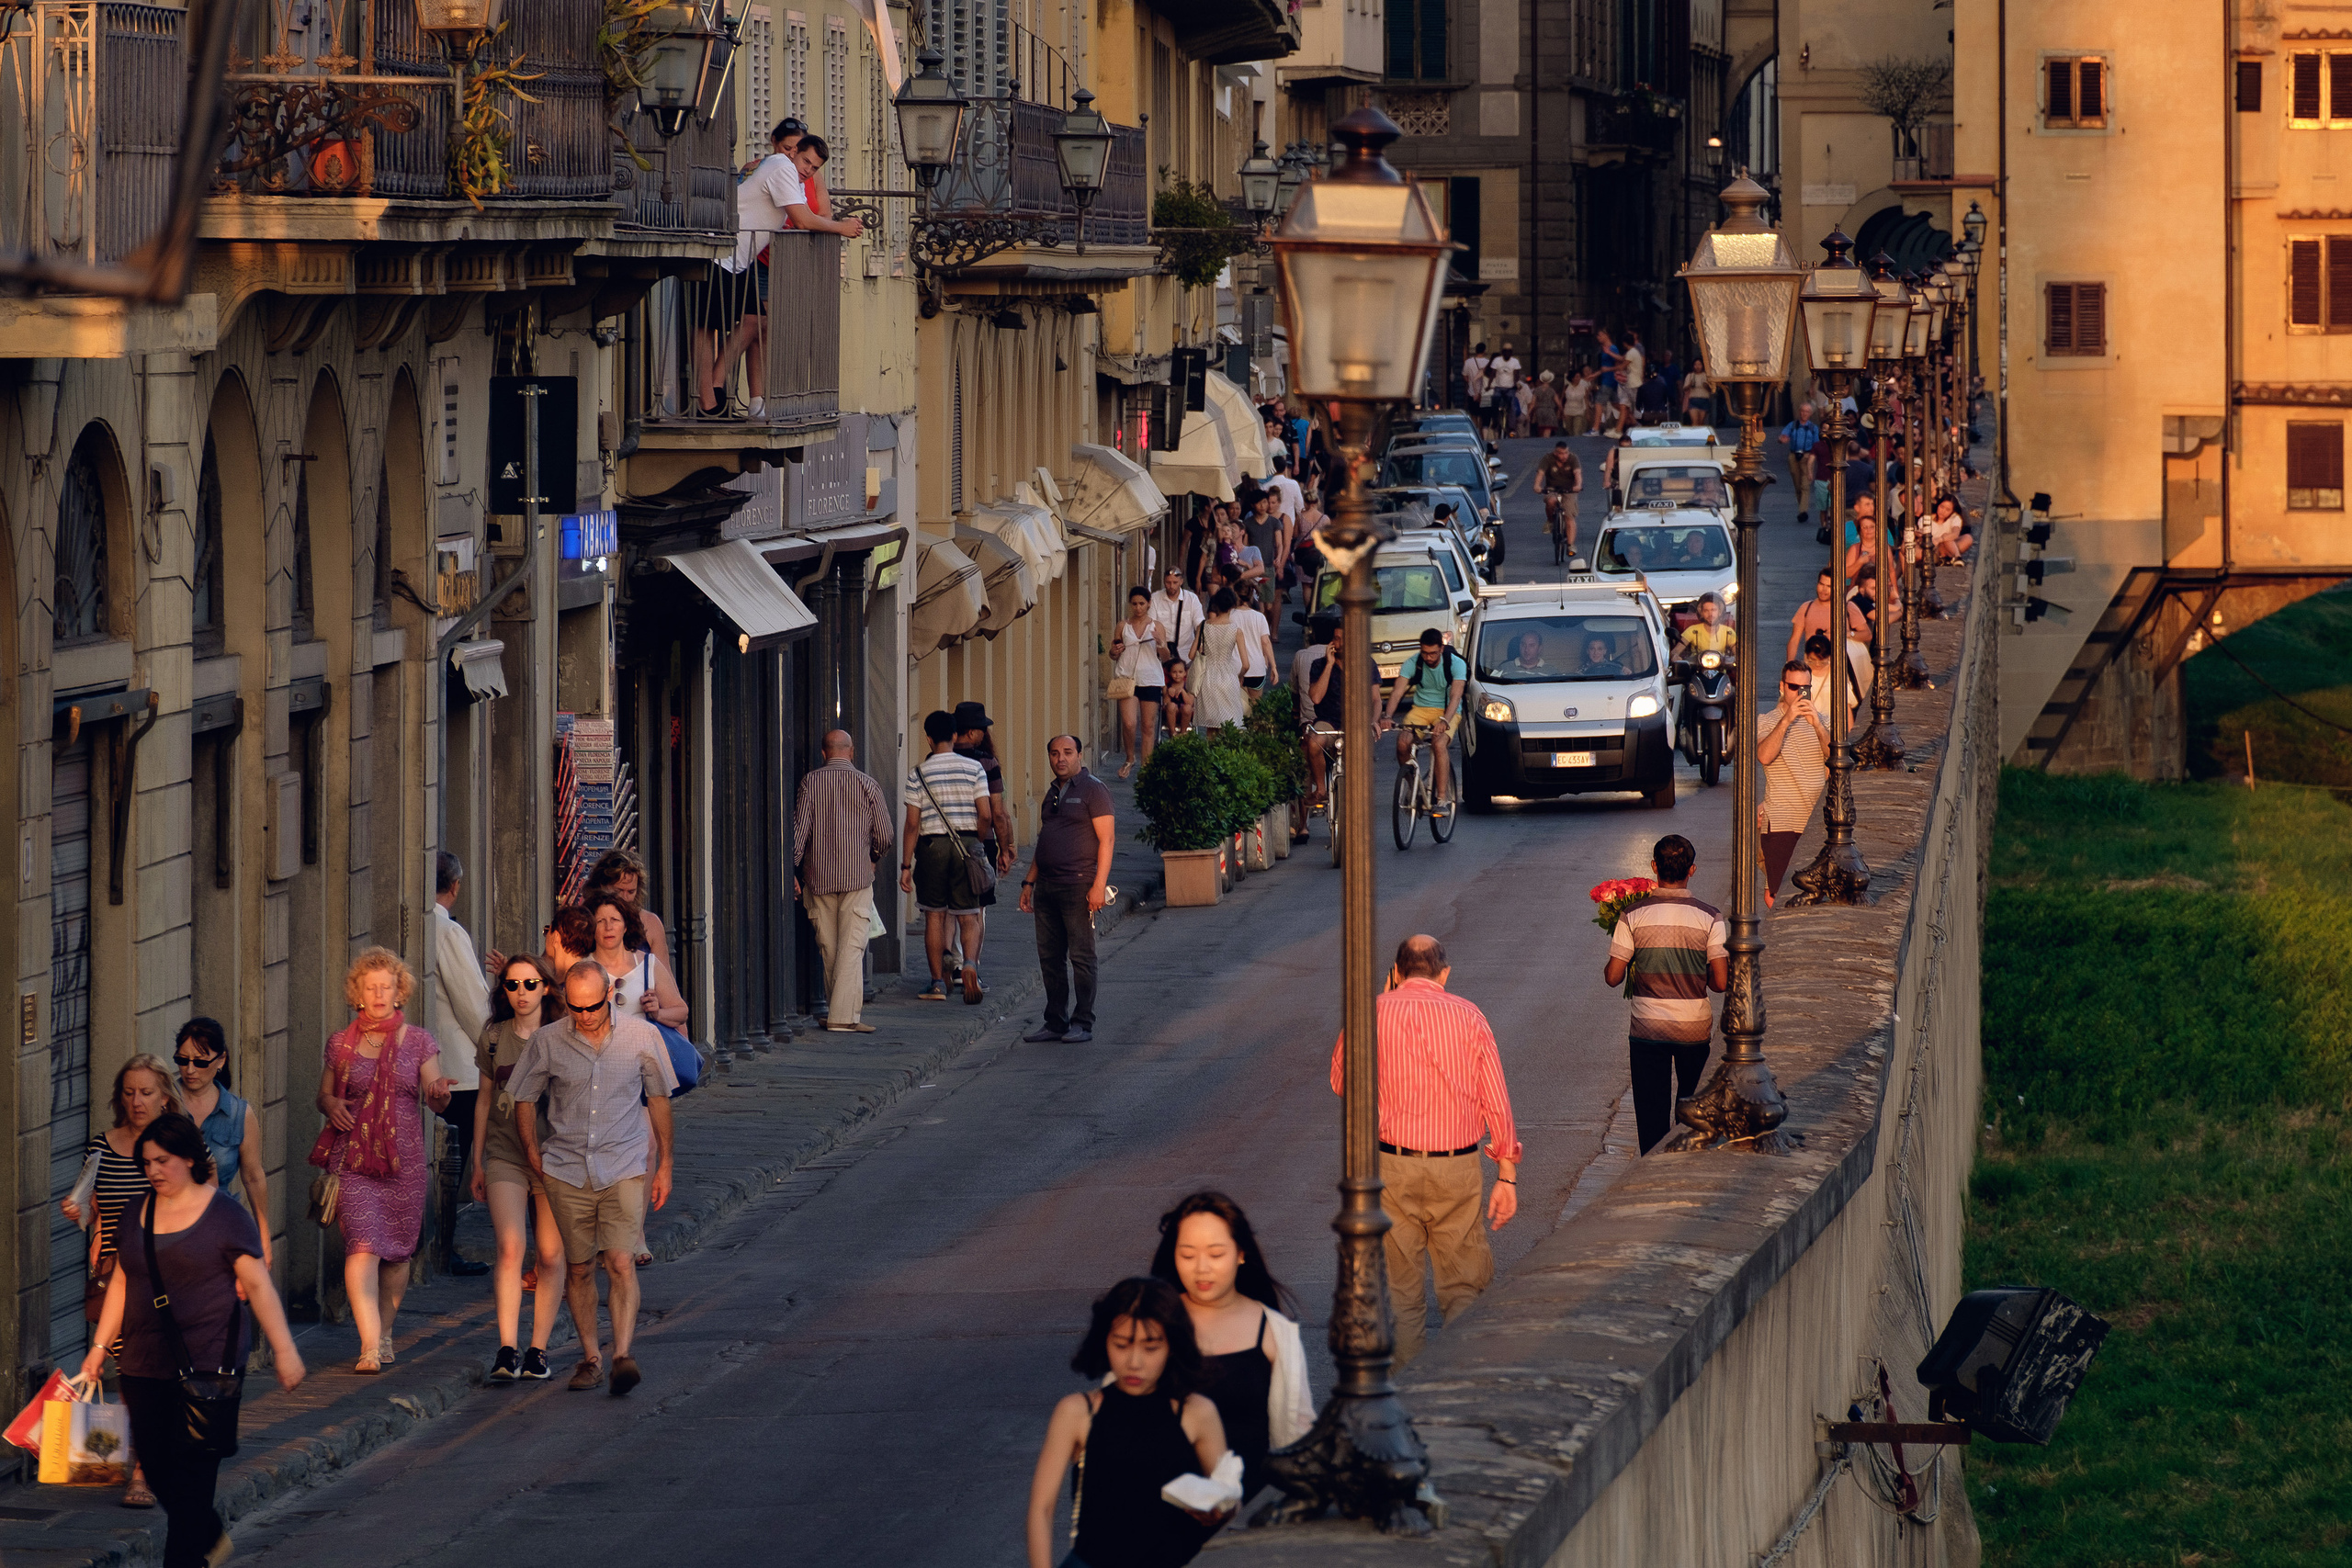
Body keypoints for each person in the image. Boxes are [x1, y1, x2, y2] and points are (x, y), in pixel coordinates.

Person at [82, 1112, 304, 1568]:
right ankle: (208, 1533)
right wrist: (99, 1348)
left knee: (194, 1476)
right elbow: (122, 1281)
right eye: (146, 1163)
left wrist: (285, 1350)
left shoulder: (226, 1216)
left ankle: (187, 1555)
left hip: (210, 1363)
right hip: (143, 1361)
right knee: (159, 1471)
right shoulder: (135, 1211)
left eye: (163, 1161)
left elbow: (258, 1284)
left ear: (189, 1158)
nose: (153, 1172)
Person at [1336, 935, 1519, 1366]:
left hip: (1391, 1166)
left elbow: (1342, 1081)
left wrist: (1380, 1004)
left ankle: (1408, 1399)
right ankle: (1459, 1383)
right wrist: (1506, 1174)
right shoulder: (1470, 1016)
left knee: (1400, 1294)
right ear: (1445, 973)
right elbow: (1496, 1098)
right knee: (1464, 1286)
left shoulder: (1372, 1014)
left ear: (1397, 972)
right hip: (1456, 1168)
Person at [511, 961, 677, 1396]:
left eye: (593, 1007)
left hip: (623, 1161)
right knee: (580, 1267)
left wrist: (665, 1165)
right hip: (565, 1167)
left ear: (609, 995)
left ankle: (622, 1353)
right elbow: (523, 1097)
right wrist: (532, 1151)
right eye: (575, 1007)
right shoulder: (548, 1041)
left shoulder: (641, 1036)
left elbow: (659, 1101)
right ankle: (591, 1358)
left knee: (620, 1260)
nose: (584, 1016)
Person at [1023, 1277, 1231, 1568]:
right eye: (1121, 1345)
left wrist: (1220, 1510)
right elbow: (1041, 1509)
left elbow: (1230, 1504)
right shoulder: (1077, 1412)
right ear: (1104, 1340)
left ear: (1172, 1345)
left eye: (1151, 1348)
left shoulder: (1197, 1412)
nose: (1134, 1362)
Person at [311, 949, 454, 1372]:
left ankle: (385, 1331)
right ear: (358, 992)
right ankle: (370, 1344)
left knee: (397, 1256)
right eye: (370, 987)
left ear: (398, 991)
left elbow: (436, 1097)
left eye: (385, 987)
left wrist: (441, 1093)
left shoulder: (420, 1041)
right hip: (352, 1159)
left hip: (404, 1163)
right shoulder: (340, 1043)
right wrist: (332, 1104)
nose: (378, 994)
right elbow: (324, 1095)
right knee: (362, 1247)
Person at [61, 1053, 185, 1509]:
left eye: (147, 1092)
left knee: (152, 1374)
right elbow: (90, 1204)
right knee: (130, 1375)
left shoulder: (181, 1145)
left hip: (167, 1276)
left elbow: (208, 1199)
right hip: (113, 1277)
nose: (137, 1101)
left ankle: (142, 1470)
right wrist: (80, 1211)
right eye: (129, 1092)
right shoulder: (101, 1145)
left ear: (165, 1097)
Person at [1149, 1192, 1314, 1503]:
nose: (1201, 1269)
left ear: (1240, 1253)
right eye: (1187, 1255)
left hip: (1247, 1514)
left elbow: (1298, 1430)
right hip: (1162, 1512)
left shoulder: (1273, 1329)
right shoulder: (1153, 1324)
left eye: (1215, 1254)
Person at [711, 132, 865, 414]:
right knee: (712, 328)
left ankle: (716, 390)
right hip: (723, 256)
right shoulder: (782, 167)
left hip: (735, 259)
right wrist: (841, 228)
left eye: (815, 167)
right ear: (794, 153)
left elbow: (806, 214)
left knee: (754, 320)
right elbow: (802, 219)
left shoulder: (785, 172)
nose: (808, 169)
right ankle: (711, 394)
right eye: (806, 161)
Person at [471, 953, 567, 1383]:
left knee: (549, 1253)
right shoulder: (493, 1037)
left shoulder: (564, 1035)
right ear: (503, 990)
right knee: (511, 1248)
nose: (522, 994)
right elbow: (484, 1099)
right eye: (513, 985)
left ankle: (538, 1350)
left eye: (531, 985)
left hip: (556, 1157)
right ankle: (507, 1348)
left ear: (546, 987)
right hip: (505, 1152)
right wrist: (477, 1161)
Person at [1603, 835, 1729, 1154]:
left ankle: (1652, 1169)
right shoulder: (1711, 917)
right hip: (1693, 1028)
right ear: (1693, 870)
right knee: (1691, 1108)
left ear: (1654, 868)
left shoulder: (1632, 915)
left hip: (1647, 1028)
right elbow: (1720, 982)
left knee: (1651, 1113)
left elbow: (1613, 978)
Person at [792, 728, 895, 1032]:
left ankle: (844, 1014)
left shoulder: (810, 782)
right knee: (852, 946)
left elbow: (799, 835)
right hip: (857, 878)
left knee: (830, 947)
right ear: (851, 752)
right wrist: (873, 858)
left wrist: (792, 872)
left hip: (818, 877)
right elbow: (885, 835)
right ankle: (842, 1018)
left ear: (824, 753)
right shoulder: (868, 784)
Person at [1017, 736, 1115, 1045]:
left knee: (1082, 956)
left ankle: (1082, 1022)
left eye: (1067, 753)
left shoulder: (1093, 789)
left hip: (1078, 886)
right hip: (1047, 887)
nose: (1060, 759)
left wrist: (1098, 886)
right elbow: (1047, 839)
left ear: (1079, 755)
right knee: (1050, 958)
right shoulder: (1052, 793)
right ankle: (1055, 1021)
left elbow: (1108, 840)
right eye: (1054, 753)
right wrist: (1029, 882)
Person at [902, 709, 996, 1004]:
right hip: (967, 844)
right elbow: (986, 814)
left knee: (934, 916)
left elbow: (912, 824)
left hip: (931, 848)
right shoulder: (974, 769)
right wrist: (976, 841)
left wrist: (906, 865)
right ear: (955, 736)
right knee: (969, 916)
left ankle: (936, 985)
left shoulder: (917, 774)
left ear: (929, 738)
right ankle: (968, 965)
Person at [428, 852, 491, 1277]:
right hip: (459, 1068)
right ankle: (443, 1246)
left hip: (434, 1064)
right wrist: (495, 1048)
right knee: (453, 1162)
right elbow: (473, 1005)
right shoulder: (447, 931)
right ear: (455, 887)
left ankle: (439, 1243)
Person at [171, 1019, 269, 1262]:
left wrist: (263, 1238)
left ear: (221, 1060)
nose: (190, 1070)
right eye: (183, 1060)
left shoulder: (239, 1113)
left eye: (201, 1062)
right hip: (170, 1224)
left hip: (220, 1226)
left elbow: (253, 1177)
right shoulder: (166, 1103)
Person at [1757, 661, 1831, 905]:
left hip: (1816, 821)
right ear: (1782, 686)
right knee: (1778, 893)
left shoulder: (1824, 721)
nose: (1799, 693)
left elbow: (1835, 761)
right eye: (1793, 687)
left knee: (1818, 892)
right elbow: (1764, 755)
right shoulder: (1766, 721)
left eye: (1805, 688)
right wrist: (1787, 720)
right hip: (1782, 822)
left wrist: (1818, 726)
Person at [1379, 627, 1467, 813]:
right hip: (1420, 709)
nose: (1428, 658)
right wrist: (1387, 716)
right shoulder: (1413, 662)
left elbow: (1456, 697)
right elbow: (1397, 692)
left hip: (1447, 710)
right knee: (1403, 743)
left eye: (1433, 653)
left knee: (1439, 743)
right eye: (1425, 653)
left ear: (1441, 649)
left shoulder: (1456, 664)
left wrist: (1444, 721)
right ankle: (1414, 788)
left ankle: (1442, 799)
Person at [587, 893, 691, 1034]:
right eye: (600, 921)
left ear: (625, 926)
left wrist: (657, 1013)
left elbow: (681, 1012)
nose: (608, 927)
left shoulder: (648, 964)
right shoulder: (582, 967)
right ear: (592, 928)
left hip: (643, 1052)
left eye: (615, 920)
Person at [1112, 587, 1171, 777]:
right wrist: (1116, 651)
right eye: (1135, 604)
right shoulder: (1123, 625)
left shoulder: (1157, 626)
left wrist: (1161, 644)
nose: (1138, 608)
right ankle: (1130, 758)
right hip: (1126, 678)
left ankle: (1147, 767)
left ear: (1149, 604)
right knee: (1129, 723)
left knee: (1148, 725)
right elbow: (1113, 653)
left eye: (1142, 604)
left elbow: (1166, 656)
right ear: (1131, 604)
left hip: (1151, 678)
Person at [583, 849, 673, 974]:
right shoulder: (584, 919)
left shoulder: (651, 923)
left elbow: (666, 976)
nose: (625, 898)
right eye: (619, 890)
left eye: (631, 892)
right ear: (602, 885)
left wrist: (655, 992)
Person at [1298, 620, 1349, 814]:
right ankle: (1321, 788)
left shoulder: (1364, 663)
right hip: (1329, 720)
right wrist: (1329, 665)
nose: (1338, 643)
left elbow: (1376, 700)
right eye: (1336, 638)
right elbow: (1316, 697)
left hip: (1355, 723)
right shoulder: (1319, 665)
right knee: (1314, 742)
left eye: (1342, 639)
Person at [1192, 588, 1250, 730]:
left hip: (1208, 678)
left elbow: (1191, 654)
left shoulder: (1204, 626)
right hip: (1228, 677)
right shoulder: (1236, 631)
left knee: (1211, 728)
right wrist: (1240, 676)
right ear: (1233, 605)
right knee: (1229, 727)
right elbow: (1246, 664)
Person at [1786, 566, 1873, 662]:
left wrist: (1848, 634)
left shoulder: (1847, 607)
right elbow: (1794, 640)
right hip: (1813, 666)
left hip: (1841, 665)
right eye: (1821, 584)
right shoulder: (1806, 608)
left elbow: (1867, 635)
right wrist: (1790, 664)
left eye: (1829, 586)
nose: (1823, 590)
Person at [1534, 439, 1583, 558]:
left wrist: (1577, 486)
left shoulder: (1573, 458)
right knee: (1551, 501)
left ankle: (1571, 545)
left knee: (1569, 516)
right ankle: (1551, 521)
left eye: (1566, 452)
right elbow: (1540, 474)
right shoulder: (1547, 459)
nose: (1564, 456)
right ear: (1556, 453)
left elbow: (1577, 474)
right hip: (1552, 489)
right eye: (1561, 453)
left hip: (1569, 490)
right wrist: (1537, 486)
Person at [1778, 402, 1820, 525]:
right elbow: (1782, 436)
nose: (1804, 414)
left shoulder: (1813, 428)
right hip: (1793, 455)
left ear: (1811, 414)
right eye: (1802, 411)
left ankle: (1803, 512)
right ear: (1799, 412)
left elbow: (1816, 444)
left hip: (1807, 456)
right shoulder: (1792, 425)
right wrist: (1782, 439)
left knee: (1805, 485)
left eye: (1807, 412)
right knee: (1797, 484)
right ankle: (1802, 507)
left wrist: (1814, 457)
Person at [1231, 584, 1275, 697]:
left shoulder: (1230, 616)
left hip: (1235, 668)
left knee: (1238, 708)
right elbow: (1265, 642)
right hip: (1257, 669)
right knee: (1255, 708)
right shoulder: (1259, 617)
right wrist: (1273, 667)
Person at [1678, 592, 1736, 660]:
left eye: (1713, 610)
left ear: (1720, 612)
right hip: (1696, 669)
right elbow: (1676, 651)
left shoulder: (1728, 632)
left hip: (1721, 668)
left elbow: (1739, 653)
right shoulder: (1692, 630)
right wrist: (1675, 656)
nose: (1710, 614)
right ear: (1701, 613)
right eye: (1706, 611)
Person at [1487, 340, 1522, 436]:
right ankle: (1495, 421)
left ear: (1511, 352)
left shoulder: (1515, 362)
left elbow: (1516, 375)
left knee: (1511, 405)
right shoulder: (1497, 360)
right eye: (1505, 351)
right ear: (1502, 352)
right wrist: (1489, 385)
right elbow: (1492, 374)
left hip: (1510, 388)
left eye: (1509, 351)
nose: (1507, 353)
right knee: (1494, 400)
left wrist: (1516, 384)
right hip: (1498, 387)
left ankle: (1511, 427)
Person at [1161, 659, 1197, 739]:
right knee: (1171, 705)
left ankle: (1183, 732)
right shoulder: (1168, 686)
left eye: (1180, 672)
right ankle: (1172, 732)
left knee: (1187, 707)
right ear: (1170, 673)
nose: (1177, 675)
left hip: (1185, 712)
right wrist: (1168, 693)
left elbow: (1190, 703)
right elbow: (1165, 703)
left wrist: (1183, 692)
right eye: (1174, 672)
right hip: (1172, 712)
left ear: (1185, 673)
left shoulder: (1188, 686)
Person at [1680, 357, 1713, 427]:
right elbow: (1685, 389)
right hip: (1693, 400)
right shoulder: (1690, 376)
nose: (1697, 366)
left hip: (1704, 400)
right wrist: (1690, 385)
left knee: (1701, 422)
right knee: (1695, 421)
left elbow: (1712, 390)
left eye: (1699, 364)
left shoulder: (1706, 376)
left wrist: (1706, 386)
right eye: (1696, 364)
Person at [1529, 369, 1562, 435]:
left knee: (1540, 429)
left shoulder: (1536, 390)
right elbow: (1558, 403)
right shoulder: (1552, 391)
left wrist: (1528, 413)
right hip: (1550, 411)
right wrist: (1562, 411)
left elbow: (1533, 403)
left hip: (1539, 411)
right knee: (1548, 429)